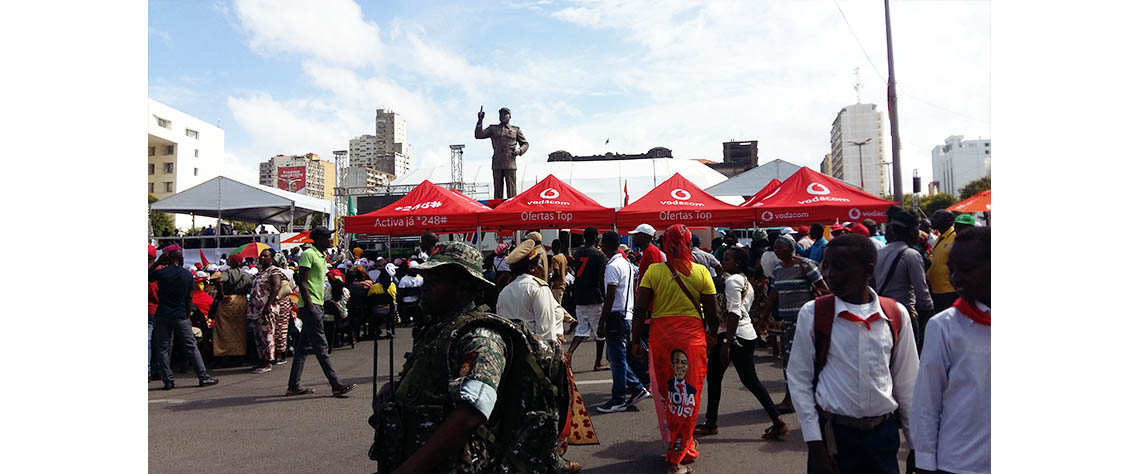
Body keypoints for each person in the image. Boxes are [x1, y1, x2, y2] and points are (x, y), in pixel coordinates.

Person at [369, 241, 565, 473]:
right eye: (426, 278)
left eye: (435, 280)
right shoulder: (439, 329)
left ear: (462, 287)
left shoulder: (480, 337)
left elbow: (469, 415)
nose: (425, 286)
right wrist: (396, 388)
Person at [786, 234, 920, 473]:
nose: (829, 274)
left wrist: (915, 445)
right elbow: (799, 380)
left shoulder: (895, 315)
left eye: (840, 267)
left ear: (867, 270)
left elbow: (907, 385)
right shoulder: (814, 313)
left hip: (882, 436)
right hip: (835, 437)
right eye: (826, 265)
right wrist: (815, 443)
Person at [631, 224, 719, 474]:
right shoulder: (701, 272)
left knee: (671, 395)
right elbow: (713, 313)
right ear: (689, 244)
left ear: (664, 245)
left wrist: (636, 340)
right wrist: (712, 335)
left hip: (662, 338)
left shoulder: (654, 272)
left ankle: (683, 444)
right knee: (688, 395)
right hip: (692, 340)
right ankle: (675, 460)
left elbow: (640, 310)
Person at [911, 226, 990, 474]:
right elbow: (927, 401)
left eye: (965, 270)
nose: (955, 278)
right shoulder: (944, 327)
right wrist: (924, 461)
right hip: (960, 462)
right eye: (951, 270)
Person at [695, 247, 788, 440]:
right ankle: (712, 422)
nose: (724, 260)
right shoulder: (744, 280)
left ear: (737, 263)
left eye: (728, 259)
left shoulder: (733, 281)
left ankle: (777, 421)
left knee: (735, 379)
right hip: (742, 334)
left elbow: (734, 312)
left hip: (734, 336)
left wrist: (727, 342)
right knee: (730, 379)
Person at [758, 234, 830, 413]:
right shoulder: (778, 268)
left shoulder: (805, 265)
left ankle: (794, 399)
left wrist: (814, 297)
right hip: (786, 322)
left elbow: (824, 289)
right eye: (776, 248)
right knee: (788, 361)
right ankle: (796, 397)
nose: (778, 251)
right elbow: (774, 294)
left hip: (804, 321)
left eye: (782, 247)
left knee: (794, 360)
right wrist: (763, 316)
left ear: (791, 249)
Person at [286, 226, 356, 398]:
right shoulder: (308, 254)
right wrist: (309, 304)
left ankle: (293, 385)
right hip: (311, 305)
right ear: (317, 238)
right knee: (321, 346)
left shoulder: (321, 255)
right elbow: (301, 281)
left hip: (317, 303)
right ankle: (335, 384)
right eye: (327, 236)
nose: (330, 239)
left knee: (302, 348)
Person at [595, 232, 651, 413]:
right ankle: (636, 388)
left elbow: (611, 294)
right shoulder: (626, 263)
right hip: (626, 315)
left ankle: (620, 397)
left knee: (617, 359)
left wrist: (602, 321)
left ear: (606, 245)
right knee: (615, 357)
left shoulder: (612, 266)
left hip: (616, 316)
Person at [149, 245, 218, 390]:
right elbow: (190, 297)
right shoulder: (186, 275)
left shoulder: (162, 273)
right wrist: (187, 313)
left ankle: (168, 380)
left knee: (162, 348)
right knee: (191, 346)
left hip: (162, 314)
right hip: (180, 314)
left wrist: (157, 263)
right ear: (180, 258)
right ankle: (203, 377)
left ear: (168, 258)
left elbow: (147, 275)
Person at [874, 210, 936, 353]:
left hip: (882, 312)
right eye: (916, 230)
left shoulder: (879, 253)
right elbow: (922, 291)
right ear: (908, 232)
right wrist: (930, 313)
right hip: (905, 315)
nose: (918, 234)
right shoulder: (911, 255)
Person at [567, 227, 609, 371]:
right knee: (600, 331)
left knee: (582, 329)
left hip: (580, 295)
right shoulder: (599, 255)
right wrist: (605, 297)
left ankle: (569, 352)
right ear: (596, 238)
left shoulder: (578, 253)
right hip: (594, 296)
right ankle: (598, 362)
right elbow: (601, 279)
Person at [248, 248, 290, 373]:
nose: (262, 258)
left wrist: (268, 305)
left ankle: (268, 362)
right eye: (261, 256)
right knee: (259, 336)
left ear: (271, 259)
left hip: (267, 309)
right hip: (256, 310)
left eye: (266, 256)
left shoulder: (273, 271)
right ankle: (261, 360)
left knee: (267, 336)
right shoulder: (261, 272)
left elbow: (276, 286)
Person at [475, 106, 529, 199]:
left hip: (510, 162)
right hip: (497, 162)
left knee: (512, 191)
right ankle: (498, 211)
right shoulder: (493, 129)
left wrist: (519, 150)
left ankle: (511, 209)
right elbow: (479, 135)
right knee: (498, 191)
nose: (503, 116)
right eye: (501, 114)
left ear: (510, 116)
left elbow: (525, 144)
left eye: (505, 114)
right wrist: (480, 121)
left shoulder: (516, 130)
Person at [209, 254, 251, 362]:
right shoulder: (246, 275)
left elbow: (219, 281)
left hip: (228, 302)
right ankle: (240, 355)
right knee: (240, 330)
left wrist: (222, 295)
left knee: (225, 330)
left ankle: (225, 354)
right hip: (242, 302)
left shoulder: (228, 273)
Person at [926, 210, 958, 313]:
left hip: (949, 291)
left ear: (948, 221)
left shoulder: (955, 237)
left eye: (936, 218)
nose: (932, 220)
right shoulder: (939, 237)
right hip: (936, 290)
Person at [366, 264, 397, 340]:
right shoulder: (392, 286)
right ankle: (389, 330)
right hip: (390, 310)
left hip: (376, 310)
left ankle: (375, 329)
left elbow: (369, 297)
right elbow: (394, 298)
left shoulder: (374, 287)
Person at [397, 261, 425, 332]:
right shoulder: (420, 278)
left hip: (406, 301)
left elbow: (400, 292)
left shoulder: (404, 279)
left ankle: (404, 319)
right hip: (417, 300)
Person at [148, 245, 159, 379]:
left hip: (150, 309)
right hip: (160, 309)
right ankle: (159, 370)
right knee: (161, 343)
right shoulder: (161, 271)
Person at [549, 239, 569, 305]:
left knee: (556, 307)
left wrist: (549, 280)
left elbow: (556, 273)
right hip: (563, 285)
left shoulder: (555, 258)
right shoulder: (563, 257)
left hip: (556, 286)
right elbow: (566, 272)